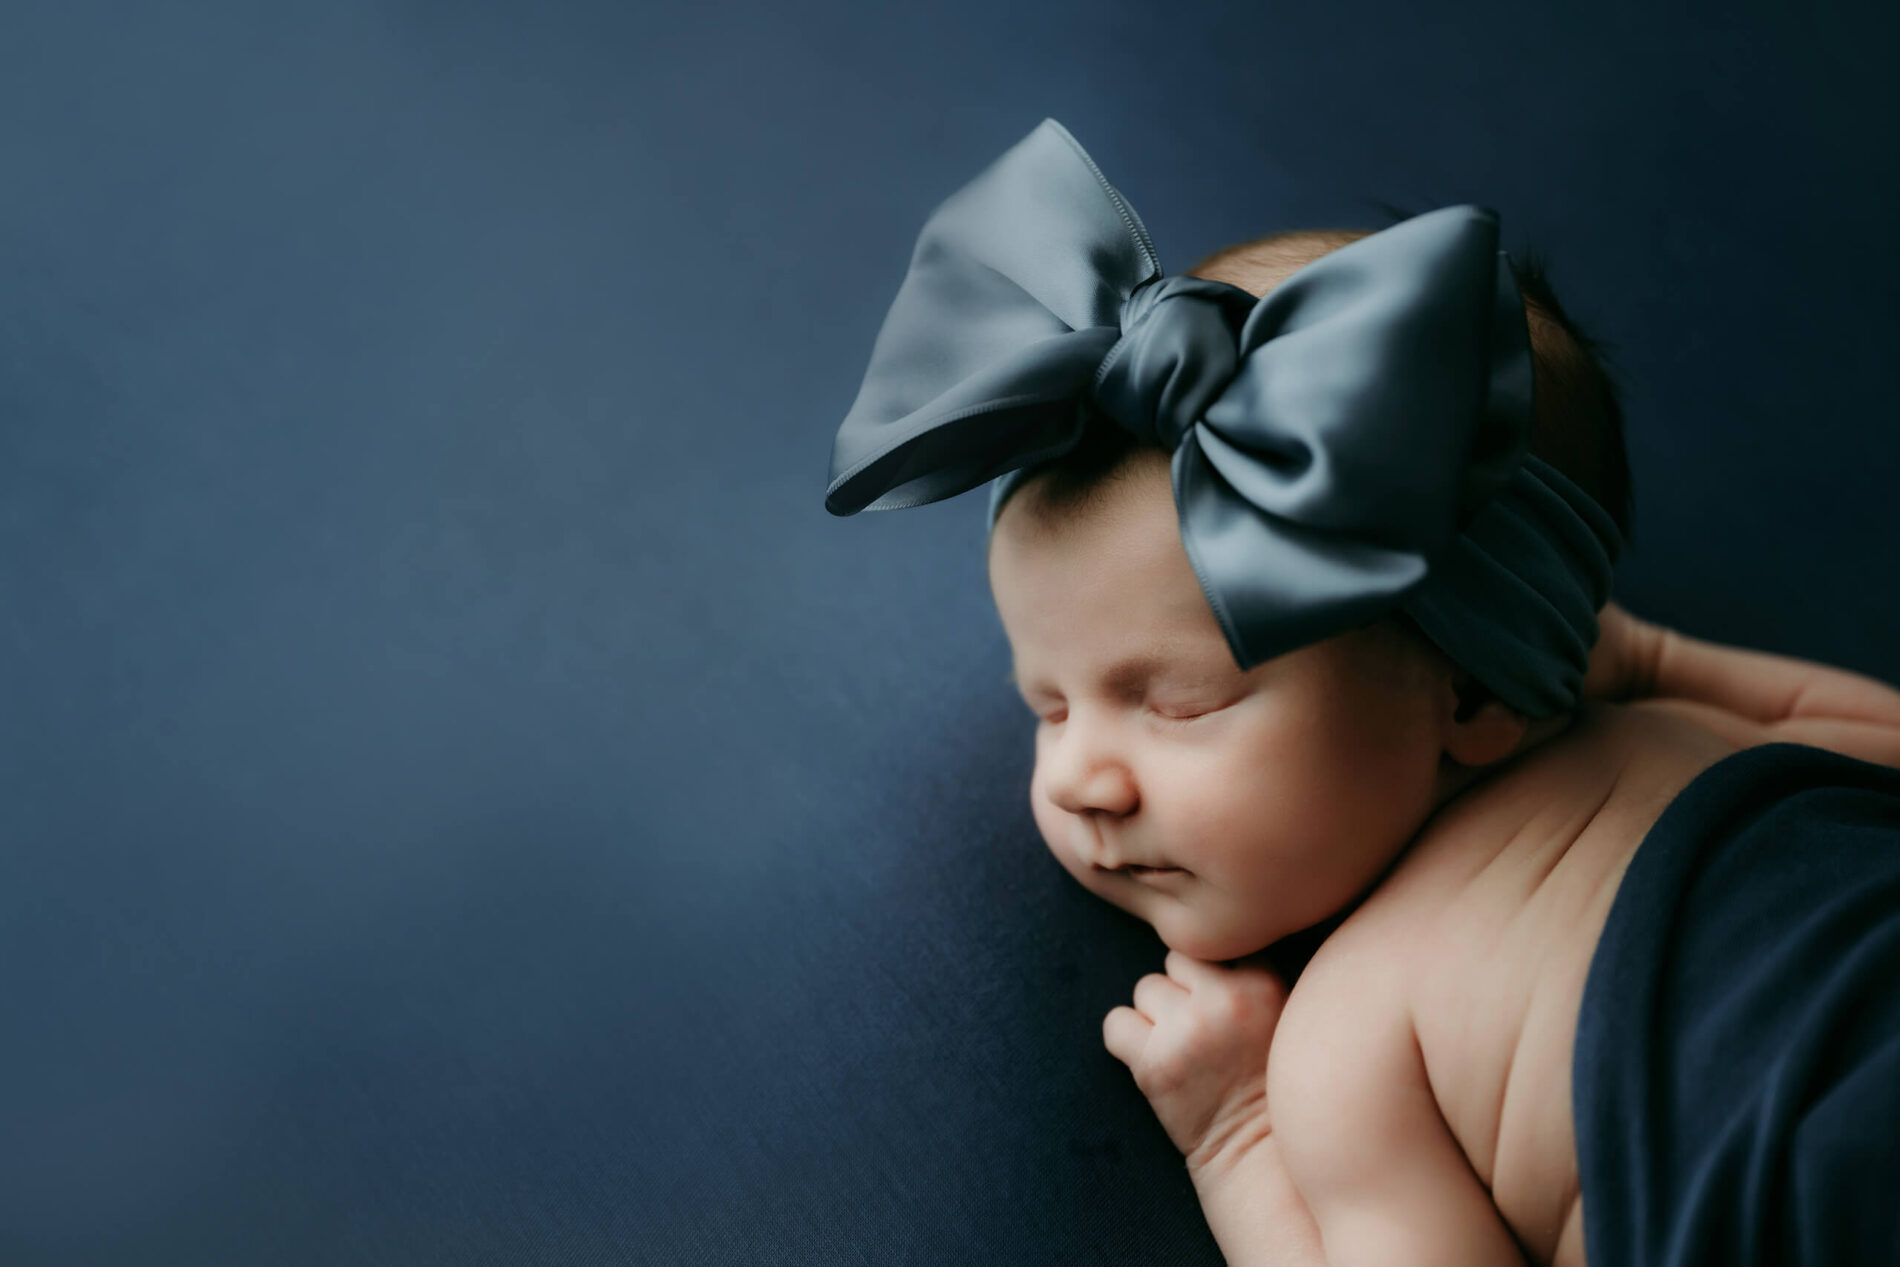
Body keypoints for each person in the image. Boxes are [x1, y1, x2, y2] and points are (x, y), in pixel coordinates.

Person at [825, 118, 1900, 1264]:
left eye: (1179, 702)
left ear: (1476, 695)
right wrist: (1650, 663)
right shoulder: (1692, 740)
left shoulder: (1349, 1041)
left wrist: (1239, 1136)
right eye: (1047, 705)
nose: (1080, 774)